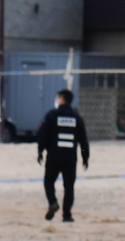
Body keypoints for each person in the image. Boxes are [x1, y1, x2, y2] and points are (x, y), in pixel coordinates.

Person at [37, 88, 90, 222]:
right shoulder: (76, 117)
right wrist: (85, 157)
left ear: (61, 99)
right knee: (69, 186)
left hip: (54, 155)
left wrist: (40, 151)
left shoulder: (52, 115)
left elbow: (42, 135)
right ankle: (67, 215)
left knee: (49, 181)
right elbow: (83, 140)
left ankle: (53, 202)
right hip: (70, 158)